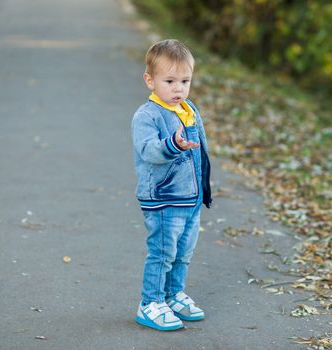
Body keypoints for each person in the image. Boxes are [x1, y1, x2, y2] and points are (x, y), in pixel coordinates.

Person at [131, 39, 212, 331]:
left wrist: (204, 188)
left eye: (185, 81)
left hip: (190, 197)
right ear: (150, 80)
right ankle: (150, 302)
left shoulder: (188, 109)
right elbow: (149, 151)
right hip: (164, 198)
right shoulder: (147, 116)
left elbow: (200, 150)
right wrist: (172, 144)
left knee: (184, 252)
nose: (178, 88)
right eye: (169, 81)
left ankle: (173, 294)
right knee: (163, 252)